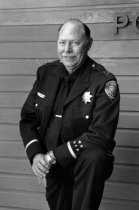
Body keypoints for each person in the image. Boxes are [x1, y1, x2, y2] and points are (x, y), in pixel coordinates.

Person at [19, 18, 120, 210]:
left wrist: (52, 156)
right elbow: (27, 120)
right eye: (62, 42)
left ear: (88, 44)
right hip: (53, 163)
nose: (67, 49)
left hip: (84, 164)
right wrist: (36, 155)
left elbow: (101, 135)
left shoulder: (103, 82)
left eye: (74, 43)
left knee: (94, 156)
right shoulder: (45, 74)